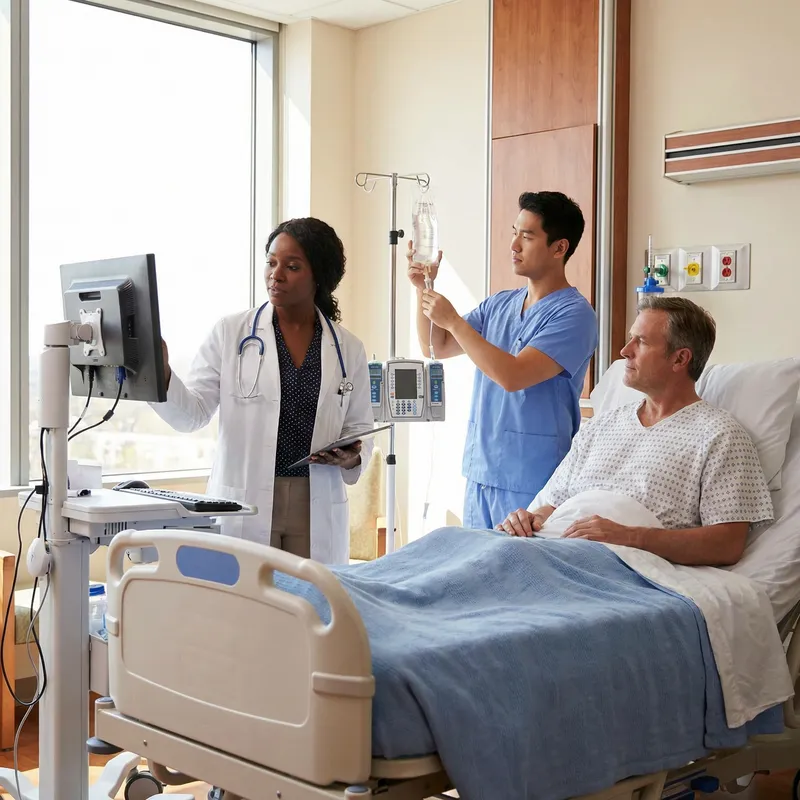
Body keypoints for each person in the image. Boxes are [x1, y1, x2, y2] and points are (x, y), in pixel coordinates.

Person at [152, 217, 374, 565]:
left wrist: (352, 457)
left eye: (292, 266)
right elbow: (191, 415)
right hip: (247, 499)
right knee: (247, 596)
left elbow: (360, 428)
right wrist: (160, 373)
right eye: (271, 262)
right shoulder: (231, 333)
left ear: (318, 276)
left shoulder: (348, 348)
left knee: (310, 596)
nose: (276, 274)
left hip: (314, 501)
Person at [497, 295, 773, 567]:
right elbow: (555, 505)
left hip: (609, 566)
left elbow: (727, 544)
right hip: (549, 547)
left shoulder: (719, 436)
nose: (625, 350)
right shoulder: (603, 425)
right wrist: (529, 520)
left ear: (680, 359)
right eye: (631, 338)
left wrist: (630, 537)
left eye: (641, 341)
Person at [407, 190, 598, 530]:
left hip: (533, 479)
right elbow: (436, 345)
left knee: (516, 563)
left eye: (527, 236)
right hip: (482, 472)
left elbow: (513, 376)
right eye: (514, 233)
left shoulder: (575, 315)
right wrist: (424, 286)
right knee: (475, 562)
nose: (514, 245)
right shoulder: (499, 305)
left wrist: (454, 321)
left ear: (559, 248)